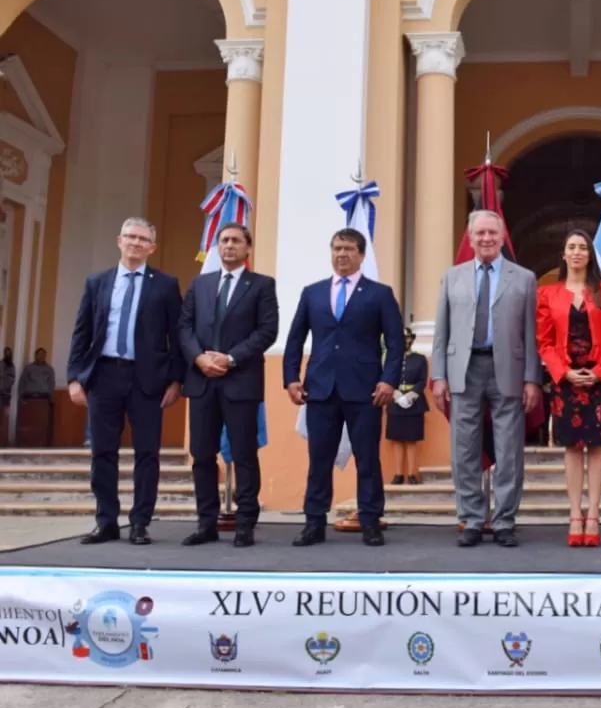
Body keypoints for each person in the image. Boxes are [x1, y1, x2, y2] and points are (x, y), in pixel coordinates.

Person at [65, 217, 183, 546]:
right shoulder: (97, 283)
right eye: (130, 236)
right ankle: (106, 522)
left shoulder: (165, 284)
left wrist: (176, 381)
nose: (135, 243)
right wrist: (75, 377)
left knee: (147, 453)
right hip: (103, 377)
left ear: (152, 248)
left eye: (142, 239)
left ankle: (140, 523)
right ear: (119, 241)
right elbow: (82, 332)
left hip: (148, 380)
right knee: (103, 452)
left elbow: (177, 336)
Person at [284, 228, 404, 547]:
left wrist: (389, 380)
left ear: (361, 255)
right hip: (320, 389)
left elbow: (394, 343)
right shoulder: (313, 293)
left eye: (349, 249)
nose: (342, 254)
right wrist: (291, 378)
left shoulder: (379, 294)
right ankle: (313, 522)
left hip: (365, 390)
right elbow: (295, 338)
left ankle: (370, 520)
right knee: (319, 459)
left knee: (367, 459)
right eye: (337, 248)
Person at [431, 210, 541, 548]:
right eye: (480, 233)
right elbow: (442, 330)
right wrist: (438, 375)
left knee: (509, 449)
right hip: (463, 368)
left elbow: (531, 333)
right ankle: (471, 519)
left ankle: (505, 520)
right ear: (470, 237)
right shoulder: (453, 277)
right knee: (463, 449)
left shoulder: (524, 278)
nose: (486, 239)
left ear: (502, 235)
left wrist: (532, 379)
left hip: (507, 368)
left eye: (492, 233)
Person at [179, 223, 279, 548]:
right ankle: (205, 523)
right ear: (217, 247)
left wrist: (230, 359)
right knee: (202, 455)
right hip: (203, 382)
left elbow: (267, 331)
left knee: (245, 455)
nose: (229, 246)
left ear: (248, 248)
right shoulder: (201, 284)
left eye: (236, 241)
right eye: (224, 241)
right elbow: (184, 327)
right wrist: (198, 359)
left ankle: (245, 523)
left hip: (241, 382)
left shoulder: (262, 285)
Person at [536, 230, 601, 548]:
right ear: (563, 254)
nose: (576, 252)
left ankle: (594, 513)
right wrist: (563, 373)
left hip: (600, 379)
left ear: (590, 255)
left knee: (597, 447)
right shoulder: (547, 294)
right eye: (571, 246)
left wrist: (600, 372)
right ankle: (575, 513)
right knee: (572, 448)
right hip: (566, 382)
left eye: (582, 247)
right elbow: (544, 341)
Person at [386, 327, 429, 486]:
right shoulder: (391, 359)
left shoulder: (420, 359)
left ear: (412, 339)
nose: (405, 341)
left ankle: (412, 473)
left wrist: (411, 396)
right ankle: (398, 474)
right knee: (396, 439)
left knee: (412, 439)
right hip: (395, 401)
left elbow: (422, 381)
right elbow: (387, 378)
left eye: (407, 337)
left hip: (414, 403)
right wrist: (396, 395)